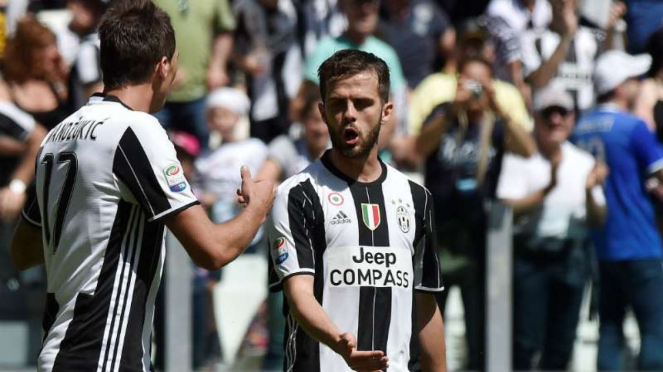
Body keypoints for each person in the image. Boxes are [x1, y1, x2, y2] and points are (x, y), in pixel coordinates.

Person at [8, 2, 274, 372]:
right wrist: (259, 207)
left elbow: (22, 251)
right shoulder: (137, 130)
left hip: (56, 355)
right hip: (105, 357)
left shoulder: (58, 135)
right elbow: (213, 250)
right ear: (162, 66)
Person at [268, 49, 447, 372]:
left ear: (386, 111)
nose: (349, 114)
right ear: (322, 113)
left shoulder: (416, 198)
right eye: (338, 104)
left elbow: (425, 304)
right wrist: (340, 344)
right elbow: (299, 295)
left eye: (362, 103)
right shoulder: (297, 195)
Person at [414, 56, 535, 371]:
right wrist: (454, 108)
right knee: (429, 318)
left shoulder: (495, 125)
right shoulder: (443, 114)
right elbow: (418, 148)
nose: (475, 91)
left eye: (482, 83)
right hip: (438, 233)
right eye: (470, 82)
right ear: (457, 84)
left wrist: (501, 108)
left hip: (478, 237)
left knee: (478, 321)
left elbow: (528, 149)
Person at [497, 85, 607, 370]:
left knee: (562, 343)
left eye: (563, 113)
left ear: (572, 119)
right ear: (536, 118)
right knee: (525, 342)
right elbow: (507, 208)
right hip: (531, 255)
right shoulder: (521, 156)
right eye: (549, 114)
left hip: (570, 256)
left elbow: (598, 218)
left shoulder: (582, 161)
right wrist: (548, 188)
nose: (556, 120)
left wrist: (588, 192)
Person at [572, 50, 663, 371]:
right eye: (633, 80)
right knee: (655, 330)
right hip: (640, 241)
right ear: (620, 87)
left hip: (601, 243)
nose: (639, 85)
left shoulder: (580, 125)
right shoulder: (632, 127)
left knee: (609, 329)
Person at [154, 0, 236, 151]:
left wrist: (217, 66)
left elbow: (224, 30)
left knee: (202, 160)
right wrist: (160, 70)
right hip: (157, 95)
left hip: (201, 92)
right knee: (153, 155)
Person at [233, 0, 304, 143]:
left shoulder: (294, 7)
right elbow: (233, 45)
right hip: (258, 90)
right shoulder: (243, 9)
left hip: (290, 89)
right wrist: (243, 61)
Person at [3, 16, 69, 131]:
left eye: (53, 45)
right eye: (42, 47)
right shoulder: (7, 89)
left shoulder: (56, 84)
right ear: (26, 52)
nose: (53, 54)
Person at [65, 0, 108, 113]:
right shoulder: (56, 35)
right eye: (86, 5)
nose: (91, 11)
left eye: (96, 7)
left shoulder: (97, 43)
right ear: (72, 4)